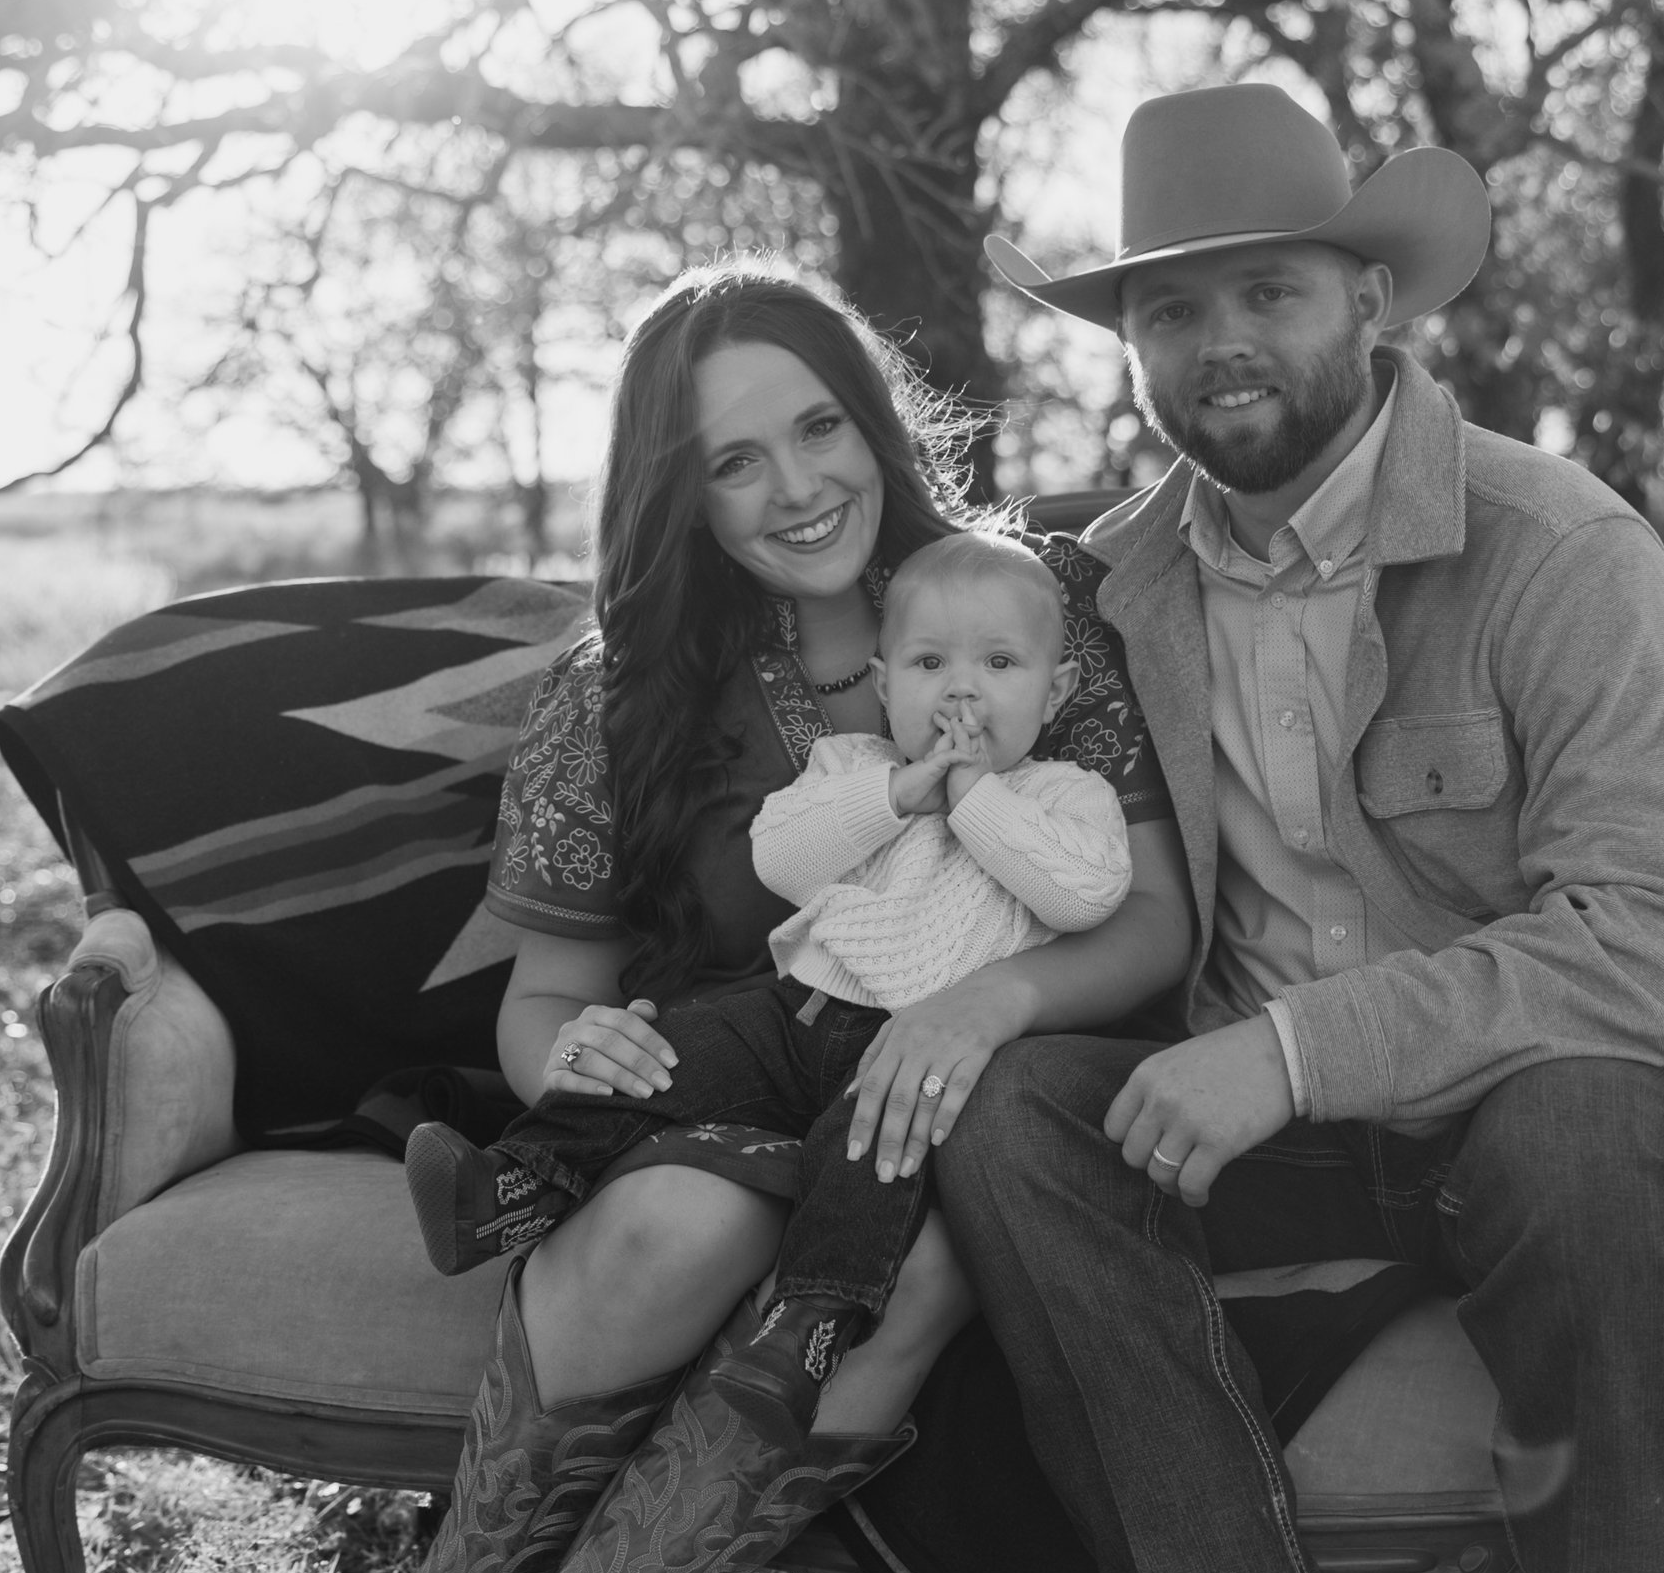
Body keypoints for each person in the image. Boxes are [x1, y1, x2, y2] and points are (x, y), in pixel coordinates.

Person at [939, 83, 1664, 1573]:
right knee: (1011, 1122)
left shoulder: (1556, 547)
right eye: (1173, 312)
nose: (1222, 345)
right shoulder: (1110, 585)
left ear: (1372, 306)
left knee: (1591, 1131)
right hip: (1247, 1112)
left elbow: (1660, 947)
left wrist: (1302, 1050)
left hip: (1532, 1092)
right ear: (1134, 353)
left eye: (1270, 293)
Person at [250, 262, 1190, 1573]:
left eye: (819, 426)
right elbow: (549, 993)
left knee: (896, 1270)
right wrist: (575, 1053)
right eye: (731, 461)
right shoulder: (618, 689)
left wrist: (984, 1009)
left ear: (878, 423)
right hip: (739, 1072)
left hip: (986, 1085)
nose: (795, 485)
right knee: (660, 1234)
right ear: (676, 493)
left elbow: (1148, 915)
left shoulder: (1020, 608)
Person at [400, 531, 1131, 1293]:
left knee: (872, 1168)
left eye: (1000, 664)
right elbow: (780, 859)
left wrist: (974, 798)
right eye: (929, 664)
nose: (961, 692)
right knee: (664, 1060)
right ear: (884, 686)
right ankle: (512, 1187)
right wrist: (896, 796)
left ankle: (809, 1323)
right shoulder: (855, 766)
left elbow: (1082, 895)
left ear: (1056, 690)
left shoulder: (1064, 796)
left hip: (911, 1051)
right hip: (794, 1016)